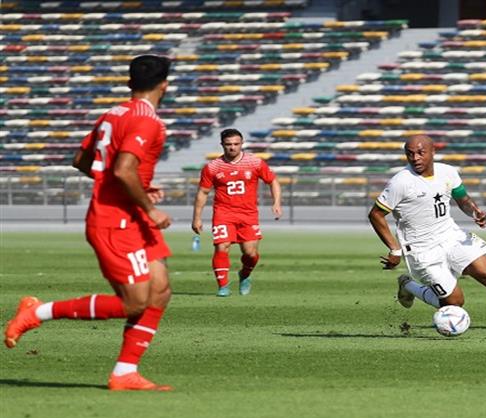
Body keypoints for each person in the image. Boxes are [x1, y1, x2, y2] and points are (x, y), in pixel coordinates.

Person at [4, 54, 175, 390]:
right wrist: (146, 202)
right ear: (165, 86)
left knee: (161, 291)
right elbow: (124, 169)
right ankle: (38, 312)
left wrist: (134, 189)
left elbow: (81, 159)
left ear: (130, 83)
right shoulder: (147, 121)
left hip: (131, 215)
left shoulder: (115, 112)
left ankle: (125, 373)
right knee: (134, 302)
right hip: (116, 221)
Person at [369, 134, 486, 340]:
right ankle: (408, 285)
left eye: (421, 153)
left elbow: (462, 199)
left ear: (433, 152)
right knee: (455, 303)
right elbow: (376, 214)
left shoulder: (448, 172)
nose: (415, 158)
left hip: (451, 236)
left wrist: (475, 212)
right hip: (422, 249)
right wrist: (395, 249)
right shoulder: (401, 182)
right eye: (410, 154)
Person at [192, 128, 282, 297]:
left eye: (236, 144)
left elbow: (273, 181)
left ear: (242, 144)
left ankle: (245, 274)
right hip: (223, 213)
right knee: (222, 246)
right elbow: (202, 193)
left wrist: (276, 202)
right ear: (222, 145)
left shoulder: (254, 163)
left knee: (250, 253)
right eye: (228, 145)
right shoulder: (212, 167)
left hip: (248, 214)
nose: (232, 148)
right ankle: (223, 286)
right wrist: (196, 218)